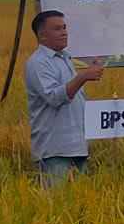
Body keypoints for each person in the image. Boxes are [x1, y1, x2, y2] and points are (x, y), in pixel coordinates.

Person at [24, 10, 105, 186]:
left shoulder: (65, 58)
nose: (64, 32)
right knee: (56, 201)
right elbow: (54, 97)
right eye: (57, 29)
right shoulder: (38, 62)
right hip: (54, 149)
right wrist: (83, 77)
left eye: (64, 28)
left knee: (79, 200)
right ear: (42, 35)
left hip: (77, 147)